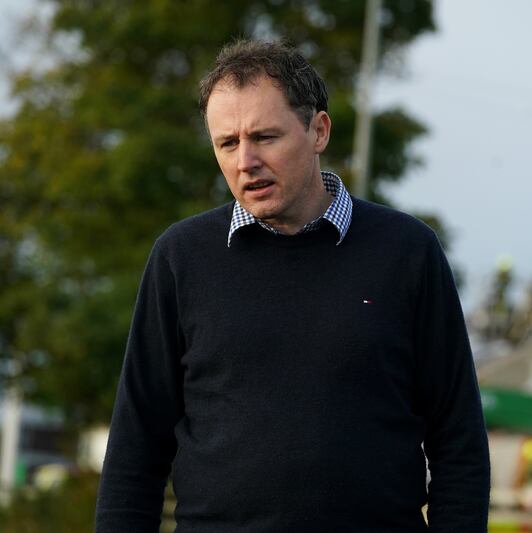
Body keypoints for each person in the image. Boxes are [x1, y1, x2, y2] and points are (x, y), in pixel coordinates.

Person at [95, 39, 490, 532]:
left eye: (265, 137)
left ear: (318, 130)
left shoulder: (408, 253)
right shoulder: (181, 257)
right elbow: (136, 449)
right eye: (227, 143)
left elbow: (459, 442)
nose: (246, 161)